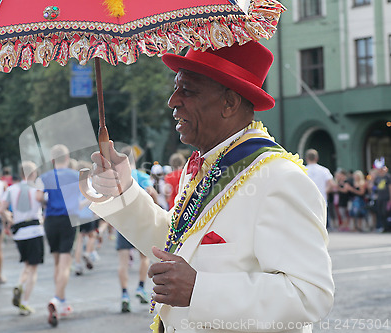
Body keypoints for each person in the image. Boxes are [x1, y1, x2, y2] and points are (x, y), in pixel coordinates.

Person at [88, 42, 334, 332]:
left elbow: (310, 296)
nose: (173, 101)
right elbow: (176, 246)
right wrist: (123, 190)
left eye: (188, 90)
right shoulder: (206, 167)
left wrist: (199, 290)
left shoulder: (281, 178)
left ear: (229, 103)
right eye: (176, 87)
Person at [38, 144, 81, 327]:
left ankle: (62, 301)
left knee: (57, 262)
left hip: (50, 221)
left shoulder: (45, 177)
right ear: (67, 157)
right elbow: (85, 197)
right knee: (65, 263)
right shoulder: (75, 175)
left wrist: (49, 201)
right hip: (68, 220)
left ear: (52, 159)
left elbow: (38, 198)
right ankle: (56, 299)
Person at [0, 161, 45, 316]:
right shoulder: (37, 189)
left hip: (19, 232)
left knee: (27, 264)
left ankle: (19, 284)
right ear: (33, 174)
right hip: (34, 230)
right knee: (33, 269)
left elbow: (1, 209)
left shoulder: (11, 190)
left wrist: (9, 219)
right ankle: (25, 302)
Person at [116, 146, 157, 313]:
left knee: (123, 262)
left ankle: (124, 295)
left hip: (123, 223)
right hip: (140, 222)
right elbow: (152, 193)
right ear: (134, 159)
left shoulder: (117, 179)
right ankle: (141, 287)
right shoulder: (142, 176)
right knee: (144, 258)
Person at [305, 149, 336, 230]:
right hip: (321, 198)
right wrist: (325, 191)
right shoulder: (324, 170)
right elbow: (332, 184)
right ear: (316, 158)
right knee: (323, 223)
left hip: (307, 199)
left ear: (306, 158)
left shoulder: (303, 170)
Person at [372, 158, 391, 232]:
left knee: (385, 212)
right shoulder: (377, 178)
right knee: (380, 212)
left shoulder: (388, 177)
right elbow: (374, 187)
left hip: (386, 197)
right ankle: (383, 227)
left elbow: (390, 188)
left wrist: (390, 198)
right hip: (379, 198)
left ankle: (387, 227)